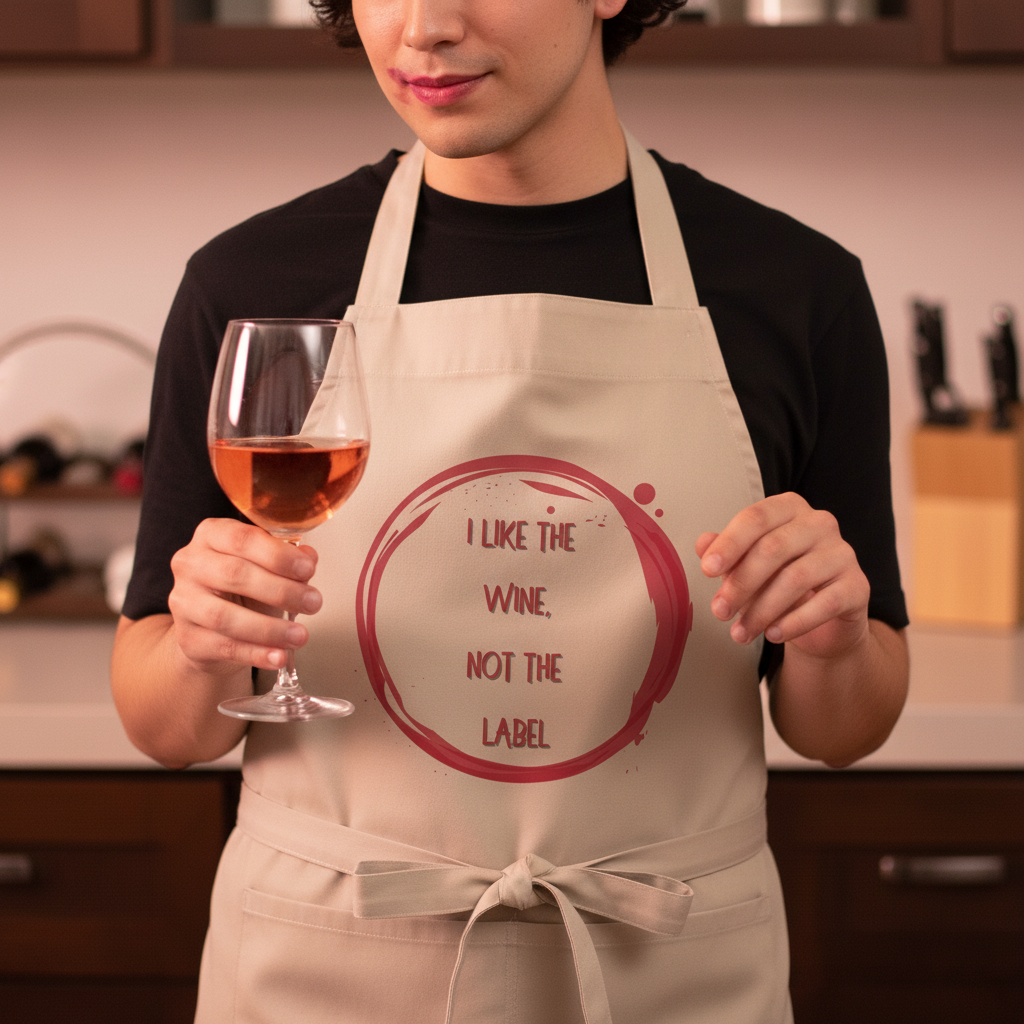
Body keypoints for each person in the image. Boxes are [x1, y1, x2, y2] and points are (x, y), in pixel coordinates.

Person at [112, 1, 910, 1021]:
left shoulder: (797, 290)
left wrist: (834, 640)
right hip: (324, 972)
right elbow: (165, 727)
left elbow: (844, 729)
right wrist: (200, 649)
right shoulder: (251, 285)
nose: (423, 27)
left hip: (666, 976)